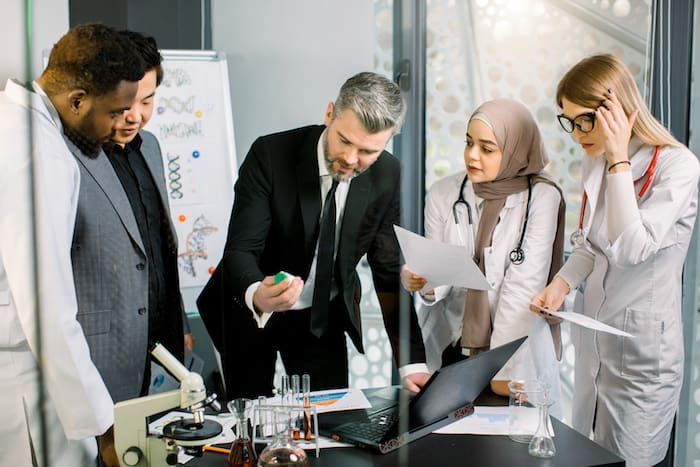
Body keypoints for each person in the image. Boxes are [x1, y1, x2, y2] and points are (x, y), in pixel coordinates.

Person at [197, 72, 430, 399]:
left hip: (322, 315)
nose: (351, 159)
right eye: (345, 141)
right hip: (250, 308)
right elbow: (240, 250)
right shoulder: (270, 154)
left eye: (367, 151)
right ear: (329, 113)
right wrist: (257, 294)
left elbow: (389, 270)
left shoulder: (390, 175)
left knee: (327, 421)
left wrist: (412, 361)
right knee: (250, 418)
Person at [532, 53, 699, 466]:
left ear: (619, 108)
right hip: (594, 347)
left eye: (585, 120)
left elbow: (631, 249)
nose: (576, 133)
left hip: (641, 359)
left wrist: (619, 161)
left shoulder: (678, 166)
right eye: (569, 121)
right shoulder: (596, 160)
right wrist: (560, 285)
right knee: (586, 457)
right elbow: (593, 245)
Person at [0, 24, 144, 466]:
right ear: (78, 100)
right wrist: (104, 425)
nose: (122, 123)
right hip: (27, 389)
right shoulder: (38, 152)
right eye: (115, 111)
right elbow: (47, 309)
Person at [401, 98, 565, 396]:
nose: (472, 156)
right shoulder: (444, 193)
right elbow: (440, 275)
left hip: (513, 354)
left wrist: (501, 371)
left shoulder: (541, 198)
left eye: (487, 149)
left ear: (515, 149)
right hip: (451, 346)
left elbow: (524, 286)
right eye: (468, 143)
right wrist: (424, 282)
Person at [71, 29, 193, 409]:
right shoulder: (68, 154)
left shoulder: (152, 147)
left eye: (148, 100)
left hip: (164, 346)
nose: (135, 116)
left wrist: (182, 326)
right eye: (124, 104)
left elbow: (158, 244)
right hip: (103, 350)